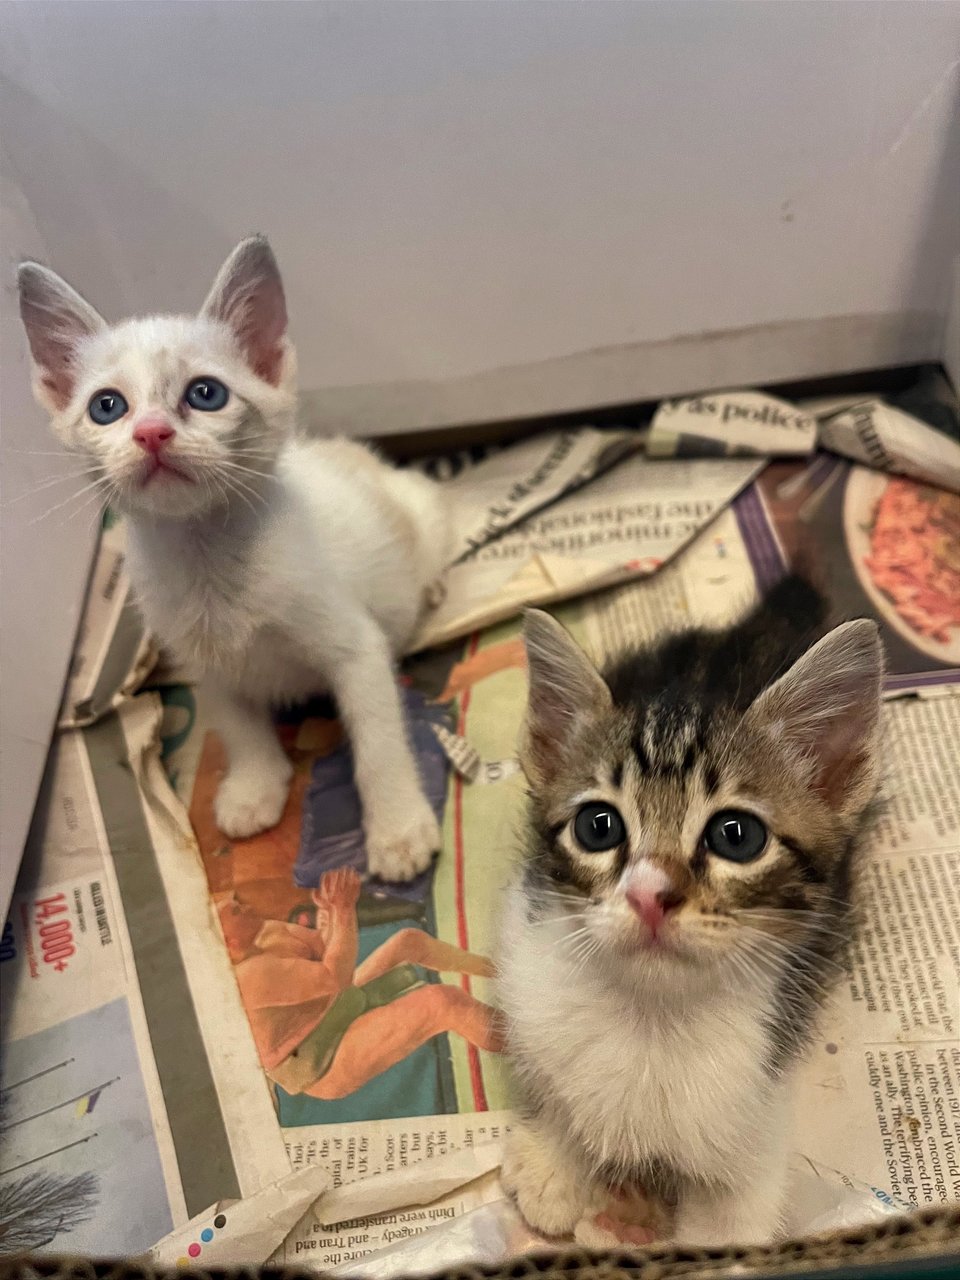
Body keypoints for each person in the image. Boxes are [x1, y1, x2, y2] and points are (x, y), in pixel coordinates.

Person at [217, 868, 502, 1099]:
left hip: (338, 1007)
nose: (245, 906)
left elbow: (323, 950)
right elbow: (335, 978)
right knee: (442, 1003)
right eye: (236, 911)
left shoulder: (269, 932)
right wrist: (343, 910)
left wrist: (330, 910)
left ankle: (494, 969)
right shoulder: (249, 978)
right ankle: (528, 1042)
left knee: (408, 941)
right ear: (229, 944)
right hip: (324, 1061)